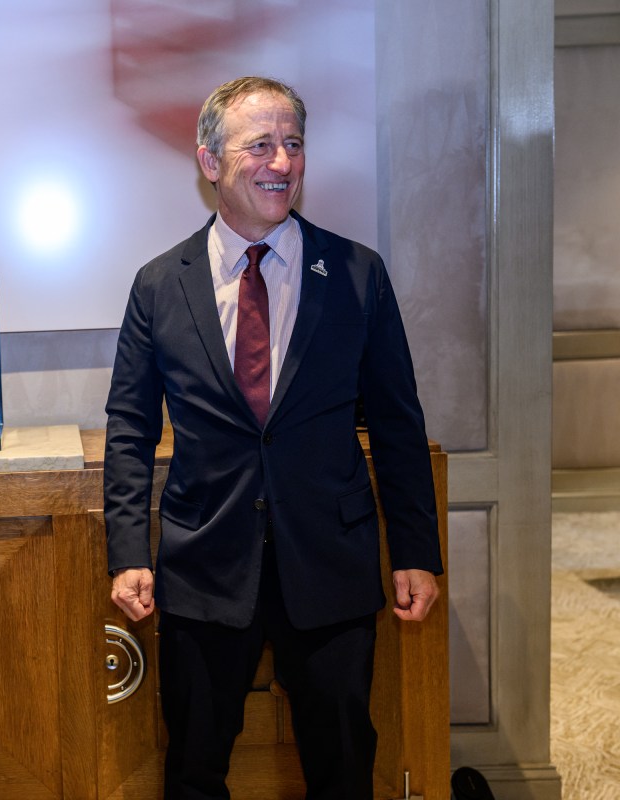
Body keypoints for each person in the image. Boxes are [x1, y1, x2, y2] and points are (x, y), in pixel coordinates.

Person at [103, 76, 443, 799]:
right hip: (204, 571)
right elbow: (129, 430)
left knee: (344, 768)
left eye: (293, 144)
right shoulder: (161, 285)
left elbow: (397, 422)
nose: (281, 162)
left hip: (331, 566)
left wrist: (415, 550)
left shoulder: (356, 274)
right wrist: (128, 552)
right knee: (194, 770)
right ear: (210, 162)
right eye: (260, 145)